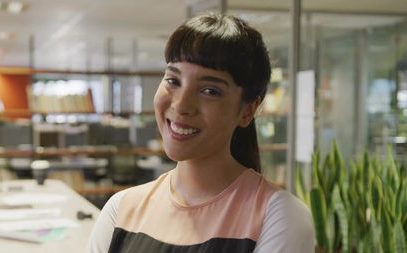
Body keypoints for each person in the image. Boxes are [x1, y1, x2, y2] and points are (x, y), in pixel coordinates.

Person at [87, 13, 314, 253]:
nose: (181, 105)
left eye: (209, 90)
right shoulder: (121, 210)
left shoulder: (279, 216)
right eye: (173, 80)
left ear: (248, 111)